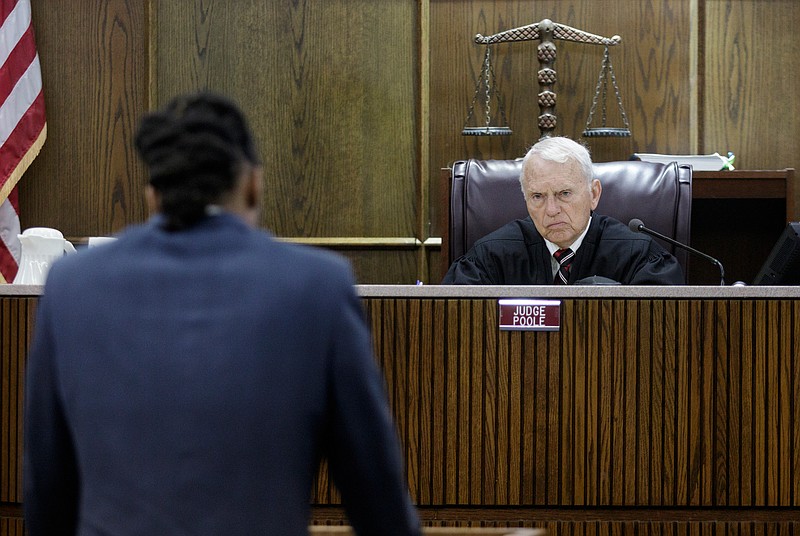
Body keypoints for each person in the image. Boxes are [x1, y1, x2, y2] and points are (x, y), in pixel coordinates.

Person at [23, 92, 422, 536]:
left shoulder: (72, 286)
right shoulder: (318, 286)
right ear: (253, 184)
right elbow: (375, 495)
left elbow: (46, 488)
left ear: (154, 195)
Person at [442, 136, 684, 285]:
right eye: (538, 196)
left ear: (594, 194)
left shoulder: (640, 258)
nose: (552, 210)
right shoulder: (489, 258)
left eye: (564, 194)